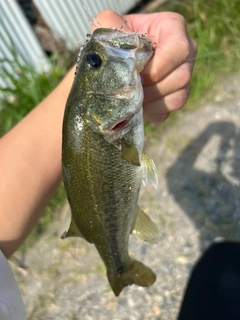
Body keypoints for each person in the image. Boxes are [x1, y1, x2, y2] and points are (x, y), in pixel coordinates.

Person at [0, 10, 197, 319]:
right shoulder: (101, 119)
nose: (92, 62)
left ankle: (117, 262)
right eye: (94, 63)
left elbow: (83, 114)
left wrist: (110, 50)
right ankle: (119, 265)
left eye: (91, 63)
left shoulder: (99, 117)